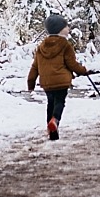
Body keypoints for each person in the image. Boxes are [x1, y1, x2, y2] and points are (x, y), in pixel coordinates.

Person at [26, 13, 91, 141]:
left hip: (46, 82)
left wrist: (31, 82)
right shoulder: (65, 45)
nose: (68, 29)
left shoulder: (41, 46)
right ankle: (55, 120)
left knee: (50, 104)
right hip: (61, 82)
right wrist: (83, 71)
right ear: (60, 29)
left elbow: (35, 66)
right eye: (66, 26)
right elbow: (71, 64)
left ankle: (52, 133)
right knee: (59, 102)